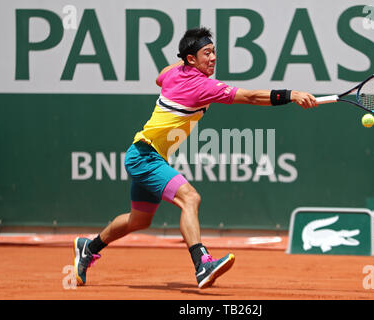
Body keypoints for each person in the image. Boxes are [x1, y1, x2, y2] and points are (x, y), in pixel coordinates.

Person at [73, 27, 318, 289]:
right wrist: (290, 95)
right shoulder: (202, 86)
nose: (213, 58)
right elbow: (250, 96)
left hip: (144, 153)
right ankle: (202, 264)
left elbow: (160, 77)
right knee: (190, 198)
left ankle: (89, 247)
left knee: (139, 220)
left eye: (214, 52)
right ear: (191, 59)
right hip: (146, 156)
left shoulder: (173, 72)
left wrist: (186, 56)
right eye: (206, 53)